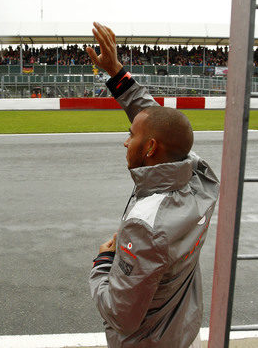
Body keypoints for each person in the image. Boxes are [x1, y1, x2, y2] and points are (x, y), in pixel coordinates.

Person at [87, 22, 220, 348]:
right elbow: (159, 122)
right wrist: (117, 73)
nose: (125, 142)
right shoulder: (203, 178)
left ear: (149, 149)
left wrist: (103, 263)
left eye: (132, 136)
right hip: (181, 330)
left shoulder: (145, 225)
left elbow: (121, 314)